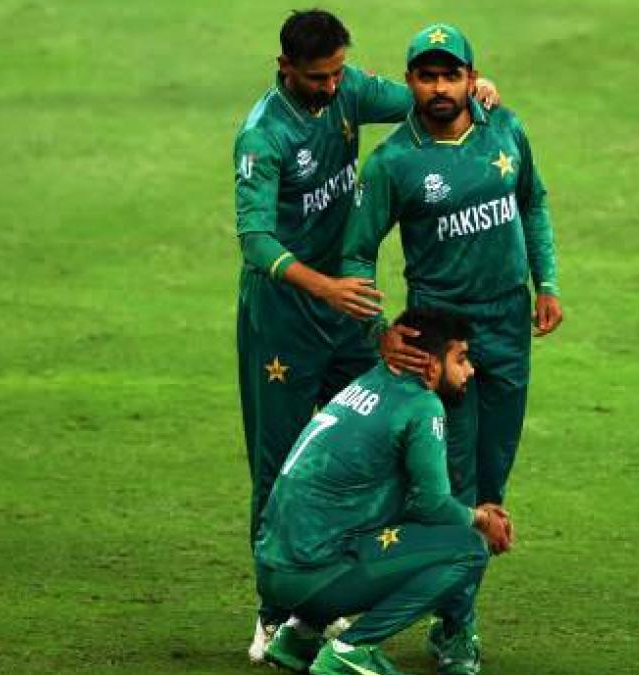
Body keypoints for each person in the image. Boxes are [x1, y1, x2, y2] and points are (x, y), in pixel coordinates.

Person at [232, 9, 500, 660]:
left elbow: (421, 95)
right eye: (316, 78)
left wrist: (474, 88)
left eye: (336, 73)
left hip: (349, 313)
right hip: (285, 320)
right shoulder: (263, 136)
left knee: (376, 444)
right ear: (284, 67)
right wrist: (325, 286)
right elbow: (255, 240)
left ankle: (326, 599)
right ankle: (273, 613)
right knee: (281, 462)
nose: (331, 87)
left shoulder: (348, 88)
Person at [339, 23, 563, 674]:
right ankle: (457, 626)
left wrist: (546, 282)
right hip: (441, 342)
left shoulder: (505, 129)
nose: (439, 87)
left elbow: (533, 203)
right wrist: (377, 329)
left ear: (471, 76)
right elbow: (356, 253)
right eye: (427, 76)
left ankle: (442, 613)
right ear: (410, 82)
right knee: (456, 482)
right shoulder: (394, 162)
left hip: (508, 326)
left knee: (493, 476)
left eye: (450, 75)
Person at [254, 307, 514, 675]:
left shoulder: (367, 383)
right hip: (313, 577)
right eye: (461, 358)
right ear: (430, 365)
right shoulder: (421, 405)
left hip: (272, 571)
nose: (470, 370)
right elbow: (431, 504)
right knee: (468, 549)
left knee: (379, 524)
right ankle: (350, 649)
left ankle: (298, 637)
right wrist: (481, 519)